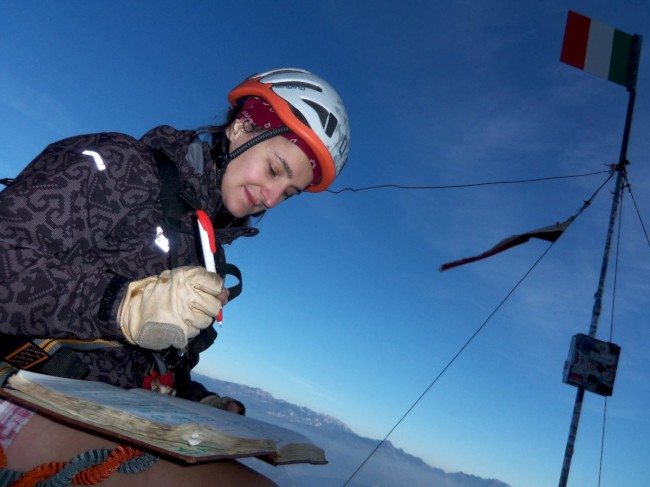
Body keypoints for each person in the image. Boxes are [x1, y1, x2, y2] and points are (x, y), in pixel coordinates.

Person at [0, 68, 350, 484]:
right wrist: (121, 304)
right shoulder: (120, 166)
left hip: (108, 412)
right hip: (22, 387)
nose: (272, 198)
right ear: (243, 127)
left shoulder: (206, 252)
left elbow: (147, 359)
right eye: (275, 170)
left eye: (288, 193)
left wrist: (195, 399)